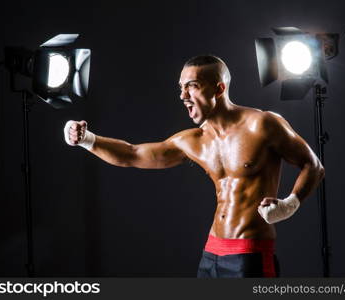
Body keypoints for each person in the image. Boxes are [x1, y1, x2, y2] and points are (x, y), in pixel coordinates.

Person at [63, 55, 325, 278]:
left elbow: (313, 166)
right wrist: (87, 140)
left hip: (250, 253)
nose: (183, 95)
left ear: (219, 89)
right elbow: (132, 154)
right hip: (210, 254)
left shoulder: (263, 124)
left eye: (192, 86)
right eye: (181, 88)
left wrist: (289, 205)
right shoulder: (194, 140)